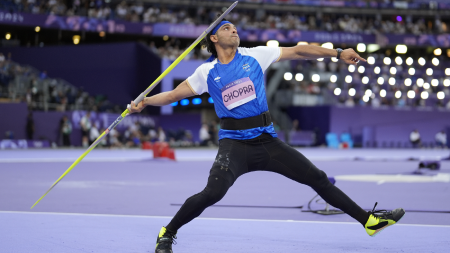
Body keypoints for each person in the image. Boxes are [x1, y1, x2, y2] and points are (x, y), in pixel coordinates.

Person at [129, 18, 405, 253]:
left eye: (235, 28)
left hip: (268, 143)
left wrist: (337, 53)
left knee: (317, 178)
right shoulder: (206, 72)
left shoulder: (255, 55)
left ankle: (369, 221)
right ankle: (167, 232)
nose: (234, 30)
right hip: (234, 145)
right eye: (227, 28)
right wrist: (146, 101)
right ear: (214, 37)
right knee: (213, 192)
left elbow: (298, 51)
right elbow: (175, 95)